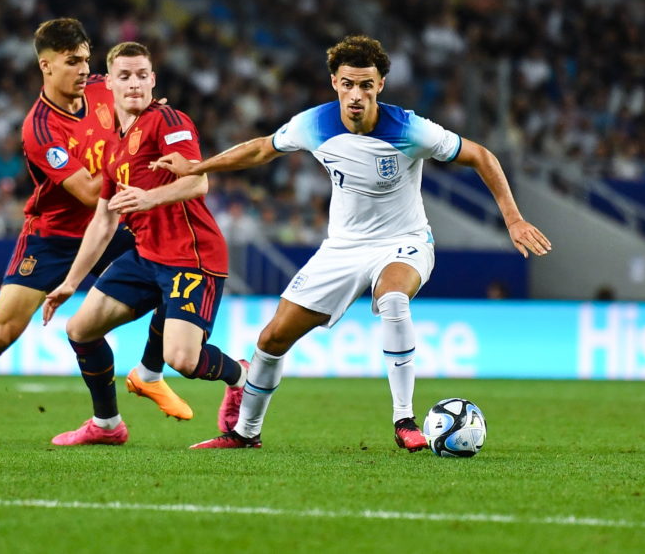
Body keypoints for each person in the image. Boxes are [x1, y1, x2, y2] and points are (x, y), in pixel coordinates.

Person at [155, 34, 552, 451]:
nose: (357, 94)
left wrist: (513, 218)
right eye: (348, 84)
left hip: (404, 241)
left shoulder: (409, 128)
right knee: (271, 339)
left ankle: (404, 421)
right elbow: (259, 151)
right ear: (335, 84)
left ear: (380, 85)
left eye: (366, 85)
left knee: (394, 300)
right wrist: (197, 167)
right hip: (342, 249)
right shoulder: (314, 123)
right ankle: (244, 434)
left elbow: (481, 156)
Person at [0, 19, 189, 443]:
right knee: (1, 332)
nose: (83, 70)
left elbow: (141, 111)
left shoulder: (101, 87)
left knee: (179, 266)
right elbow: (92, 192)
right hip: (52, 237)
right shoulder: (40, 129)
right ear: (46, 66)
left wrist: (149, 120)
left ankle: (144, 378)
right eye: (72, 62)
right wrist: (138, 147)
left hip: (108, 227)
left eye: (87, 60)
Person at [42, 41, 248, 446]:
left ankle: (243, 376)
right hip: (146, 256)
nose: (134, 83)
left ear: (153, 80)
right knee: (80, 328)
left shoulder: (168, 120)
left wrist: (150, 197)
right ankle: (106, 425)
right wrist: (70, 282)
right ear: (109, 85)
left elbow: (198, 179)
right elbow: (104, 220)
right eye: (124, 76)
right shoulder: (113, 144)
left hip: (192, 255)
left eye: (141, 75)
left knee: (184, 360)